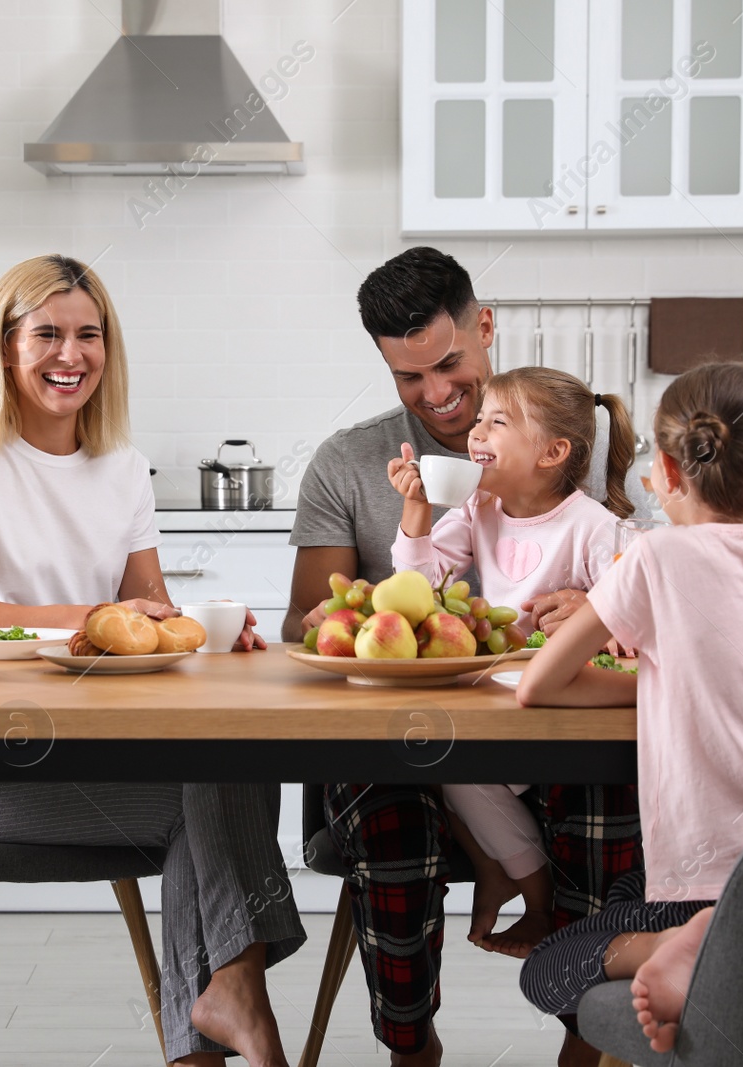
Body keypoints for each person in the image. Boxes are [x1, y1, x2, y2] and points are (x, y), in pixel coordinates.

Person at [0, 254, 303, 1067]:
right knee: (216, 796)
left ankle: (230, 997)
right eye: (47, 333)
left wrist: (204, 630)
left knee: (235, 770)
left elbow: (146, 617)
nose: (71, 353)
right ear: (5, 346)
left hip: (91, 753)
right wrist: (88, 617)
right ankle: (238, 998)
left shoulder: (123, 468)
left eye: (90, 334)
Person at [289, 247, 646, 1067]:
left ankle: (587, 1038)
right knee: (396, 818)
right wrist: (381, 578)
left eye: (450, 364)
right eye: (409, 377)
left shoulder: (565, 446)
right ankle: (413, 1048)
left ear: (484, 328)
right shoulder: (356, 465)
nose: (440, 396)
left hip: (544, 719)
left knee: (609, 793)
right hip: (409, 732)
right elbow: (310, 628)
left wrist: (597, 614)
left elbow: (646, 596)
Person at [514, 362, 743, 1053]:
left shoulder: (657, 556)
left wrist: (667, 672)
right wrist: (680, 674)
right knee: (625, 887)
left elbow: (541, 681)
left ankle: (682, 938)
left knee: (550, 968)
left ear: (668, 471)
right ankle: (704, 937)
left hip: (708, 879)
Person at [386, 367, 637, 958]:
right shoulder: (478, 508)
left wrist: (595, 612)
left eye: (497, 422)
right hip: (501, 702)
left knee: (458, 767)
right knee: (443, 761)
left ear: (553, 452)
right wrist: (416, 510)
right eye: (479, 421)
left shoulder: (593, 527)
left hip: (560, 713)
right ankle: (531, 888)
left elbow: (639, 618)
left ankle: (534, 892)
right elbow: (415, 591)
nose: (476, 433)